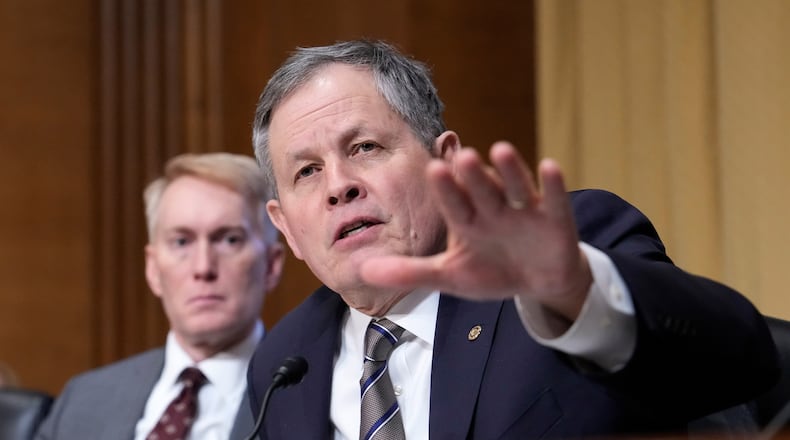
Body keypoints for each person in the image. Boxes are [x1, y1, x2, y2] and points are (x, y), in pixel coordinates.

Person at [246, 39, 779, 439]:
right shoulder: (285, 364)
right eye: (307, 171)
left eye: (364, 147)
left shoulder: (568, 250)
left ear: (445, 163)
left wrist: (576, 293)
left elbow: (737, 364)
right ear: (285, 226)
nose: (338, 185)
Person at [36, 153, 284, 439]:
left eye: (229, 240)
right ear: (153, 269)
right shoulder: (83, 401)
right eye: (181, 242)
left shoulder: (310, 397)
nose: (203, 267)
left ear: (271, 265)